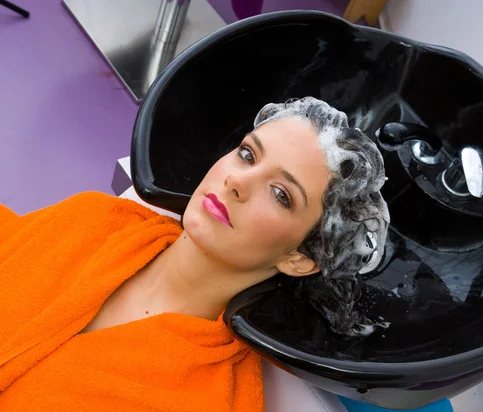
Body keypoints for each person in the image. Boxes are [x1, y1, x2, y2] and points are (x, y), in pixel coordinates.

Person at [0, 97, 389, 411]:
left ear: (299, 258)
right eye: (248, 155)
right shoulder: (94, 218)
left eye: (281, 195)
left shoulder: (208, 397)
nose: (237, 181)